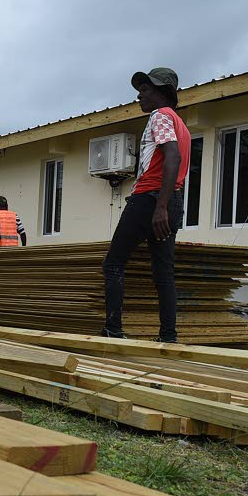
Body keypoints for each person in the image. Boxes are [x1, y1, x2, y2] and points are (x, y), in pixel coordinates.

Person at [102, 67, 191, 343]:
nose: (139, 96)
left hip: (150, 199)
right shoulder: (181, 125)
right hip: (172, 199)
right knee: (164, 272)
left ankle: (113, 330)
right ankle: (168, 337)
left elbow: (172, 157)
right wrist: (166, 204)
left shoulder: (160, 116)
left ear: (163, 93)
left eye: (145, 90)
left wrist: (159, 206)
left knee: (113, 263)